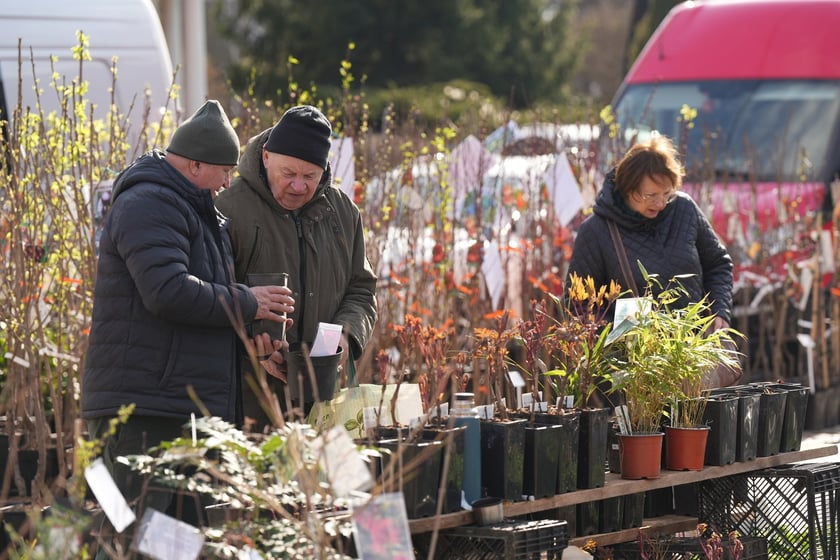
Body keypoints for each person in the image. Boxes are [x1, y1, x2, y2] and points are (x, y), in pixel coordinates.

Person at [81, 100, 294, 545]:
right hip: (139, 413)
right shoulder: (148, 203)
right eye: (224, 171)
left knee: (174, 544)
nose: (228, 182)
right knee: (129, 536)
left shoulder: (195, 210)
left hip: (175, 408)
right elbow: (168, 291)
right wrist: (249, 301)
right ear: (195, 164)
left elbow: (201, 306)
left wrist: (251, 340)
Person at [215, 104, 378, 427]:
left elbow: (362, 290)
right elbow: (206, 294)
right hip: (247, 400)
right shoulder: (227, 208)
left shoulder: (344, 212)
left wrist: (346, 336)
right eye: (288, 174)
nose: (299, 186)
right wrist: (250, 340)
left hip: (325, 399)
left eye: (310, 176)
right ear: (266, 156)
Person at [565, 134, 739, 387]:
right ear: (628, 189)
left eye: (666, 193)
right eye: (651, 195)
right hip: (636, 373)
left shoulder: (684, 209)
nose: (660, 203)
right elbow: (578, 305)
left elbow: (718, 264)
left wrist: (720, 311)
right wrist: (623, 336)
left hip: (696, 358)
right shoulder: (596, 231)